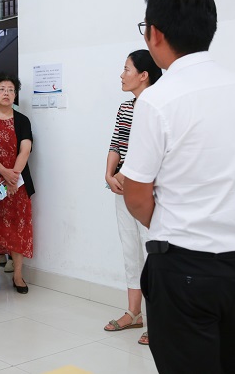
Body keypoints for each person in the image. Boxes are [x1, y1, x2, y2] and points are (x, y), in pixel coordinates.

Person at [122, 0, 235, 374]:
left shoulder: (157, 100)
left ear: (155, 33)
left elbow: (136, 195)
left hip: (184, 266)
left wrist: (179, 223)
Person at [103, 49, 161, 346]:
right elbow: (118, 142)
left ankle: (158, 320)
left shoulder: (158, 106)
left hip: (148, 189)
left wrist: (124, 176)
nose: (122, 75)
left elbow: (149, 150)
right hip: (122, 186)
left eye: (127, 69)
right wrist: (109, 174)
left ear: (144, 75)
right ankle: (134, 313)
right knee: (130, 249)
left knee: (153, 252)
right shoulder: (126, 107)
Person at [0, 73, 35, 295]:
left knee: (18, 228)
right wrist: (3, 172)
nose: (7, 93)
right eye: (2, 89)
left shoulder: (23, 120)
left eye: (11, 90)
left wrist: (14, 176)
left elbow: (25, 149)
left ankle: (18, 275)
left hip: (18, 184)